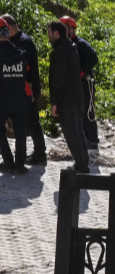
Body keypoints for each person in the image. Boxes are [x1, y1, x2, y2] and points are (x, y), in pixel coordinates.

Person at [1, 15, 45, 164]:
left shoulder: (25, 42)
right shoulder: (14, 43)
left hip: (27, 90)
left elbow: (30, 69)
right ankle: (22, 159)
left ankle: (40, 153)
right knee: (23, 125)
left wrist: (31, 91)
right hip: (18, 91)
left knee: (32, 122)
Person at [46, 20, 87, 173]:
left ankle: (81, 166)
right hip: (78, 97)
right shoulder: (72, 47)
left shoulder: (59, 53)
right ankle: (84, 163)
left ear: (57, 34)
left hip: (67, 101)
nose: (48, 37)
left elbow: (59, 80)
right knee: (79, 132)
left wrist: (55, 102)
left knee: (71, 134)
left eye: (49, 33)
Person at [59, 16, 98, 156]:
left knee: (88, 111)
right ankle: (82, 140)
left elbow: (94, 57)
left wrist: (83, 72)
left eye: (64, 28)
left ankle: (93, 141)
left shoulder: (80, 43)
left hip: (85, 83)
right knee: (78, 112)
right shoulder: (65, 44)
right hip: (75, 85)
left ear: (71, 29)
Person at [0, 23, 31, 173]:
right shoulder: (19, 53)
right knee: (20, 133)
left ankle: (7, 161)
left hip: (2, 100)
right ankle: (19, 165)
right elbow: (26, 71)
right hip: (19, 99)